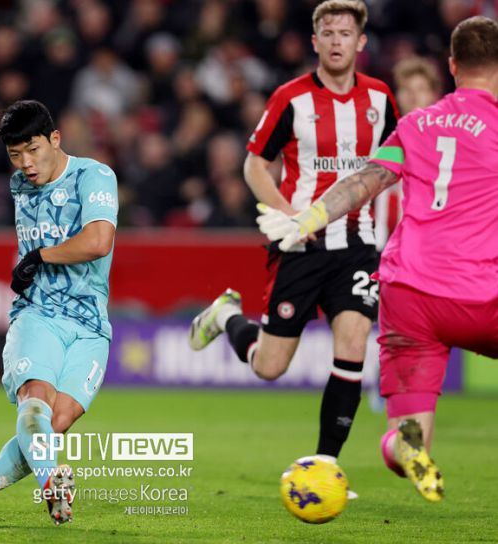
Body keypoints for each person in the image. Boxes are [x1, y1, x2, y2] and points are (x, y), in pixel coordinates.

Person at [256, 15, 498, 503]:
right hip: (482, 293)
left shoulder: (415, 124)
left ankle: (402, 444)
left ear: (452, 66)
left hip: (411, 297)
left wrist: (308, 218)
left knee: (408, 436)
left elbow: (363, 181)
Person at [188, 0, 398, 494]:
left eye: (345, 33)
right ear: (314, 41)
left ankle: (325, 466)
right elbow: (254, 165)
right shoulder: (291, 98)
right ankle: (227, 316)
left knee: (353, 345)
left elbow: (394, 162)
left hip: (358, 244)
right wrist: (288, 214)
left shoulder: (381, 98)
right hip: (301, 247)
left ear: (361, 42)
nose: (336, 41)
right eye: (328, 32)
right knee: (269, 366)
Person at [0, 100, 118, 525]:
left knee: (54, 425)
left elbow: (98, 242)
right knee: (35, 400)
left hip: (91, 325)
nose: (26, 164)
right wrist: (29, 267)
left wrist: (38, 256)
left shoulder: (94, 176)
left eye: (33, 150)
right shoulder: (20, 184)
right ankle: (52, 485)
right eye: (15, 155)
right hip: (38, 314)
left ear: (55, 139)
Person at [374, 56, 444, 250]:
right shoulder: (383, 141)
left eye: (421, 89)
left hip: (431, 246)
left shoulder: (445, 144)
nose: (413, 96)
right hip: (385, 247)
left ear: (434, 95)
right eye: (406, 89)